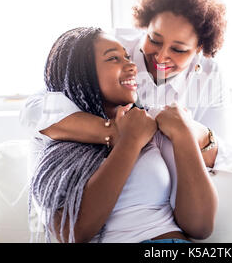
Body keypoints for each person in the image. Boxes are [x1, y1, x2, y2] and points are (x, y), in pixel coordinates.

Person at [20, 0, 232, 176]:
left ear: (199, 48)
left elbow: (222, 157)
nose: (161, 56)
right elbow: (35, 110)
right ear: (145, 25)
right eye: (154, 40)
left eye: (178, 50)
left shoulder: (209, 76)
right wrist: (113, 132)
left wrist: (187, 131)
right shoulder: (111, 46)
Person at [30, 27, 218, 243]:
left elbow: (200, 226)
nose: (131, 66)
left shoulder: (153, 127)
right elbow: (72, 233)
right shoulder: (55, 142)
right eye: (113, 59)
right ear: (81, 74)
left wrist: (184, 134)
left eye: (127, 57)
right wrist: (129, 141)